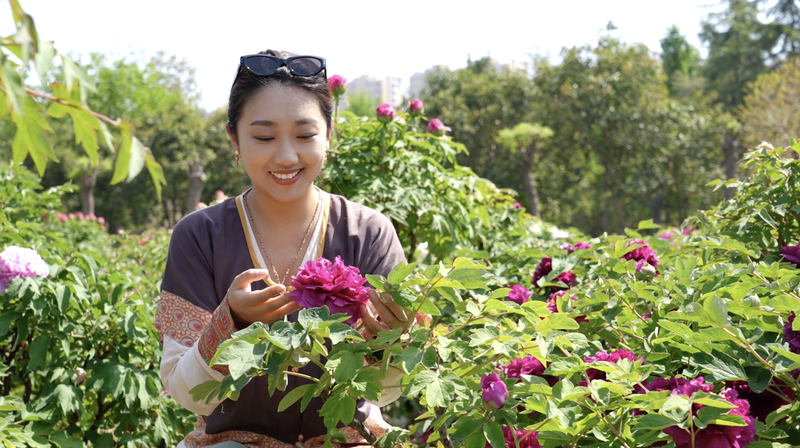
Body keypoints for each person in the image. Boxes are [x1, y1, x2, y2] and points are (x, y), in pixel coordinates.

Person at [155, 49, 411, 448]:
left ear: (329, 135)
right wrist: (231, 324)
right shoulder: (199, 236)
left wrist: (395, 340)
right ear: (233, 138)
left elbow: (386, 392)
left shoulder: (369, 232)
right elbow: (185, 392)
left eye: (306, 135)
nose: (287, 156)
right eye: (264, 137)